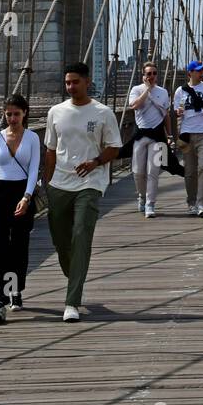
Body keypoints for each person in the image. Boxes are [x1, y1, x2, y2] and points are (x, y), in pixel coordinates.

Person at [44, 62, 121, 322]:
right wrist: (46, 185)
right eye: (67, 82)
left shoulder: (103, 113)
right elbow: (51, 151)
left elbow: (115, 147)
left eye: (75, 82)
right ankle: (75, 273)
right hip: (59, 184)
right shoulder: (55, 112)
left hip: (90, 183)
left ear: (87, 82)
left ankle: (71, 302)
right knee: (61, 241)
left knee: (80, 235)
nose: (71, 87)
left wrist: (96, 162)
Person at [0, 93, 40, 324]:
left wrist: (27, 197)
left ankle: (14, 290)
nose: (12, 118)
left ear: (24, 113)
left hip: (21, 193)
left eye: (16, 114)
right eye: (8, 114)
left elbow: (34, 170)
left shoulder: (32, 138)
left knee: (18, 248)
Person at [173, 60, 203, 216]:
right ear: (190, 72)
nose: (202, 73)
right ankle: (191, 202)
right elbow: (177, 109)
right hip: (187, 134)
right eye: (199, 70)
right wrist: (178, 112)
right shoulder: (180, 91)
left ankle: (202, 204)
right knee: (190, 172)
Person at [127, 60, 170, 217]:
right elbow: (135, 105)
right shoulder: (136, 89)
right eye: (148, 73)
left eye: (154, 73)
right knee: (138, 171)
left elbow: (166, 115)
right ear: (143, 75)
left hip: (157, 135)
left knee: (153, 171)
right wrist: (148, 90)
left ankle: (150, 204)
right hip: (140, 135)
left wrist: (170, 135)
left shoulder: (163, 92)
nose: (152, 76)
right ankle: (142, 196)